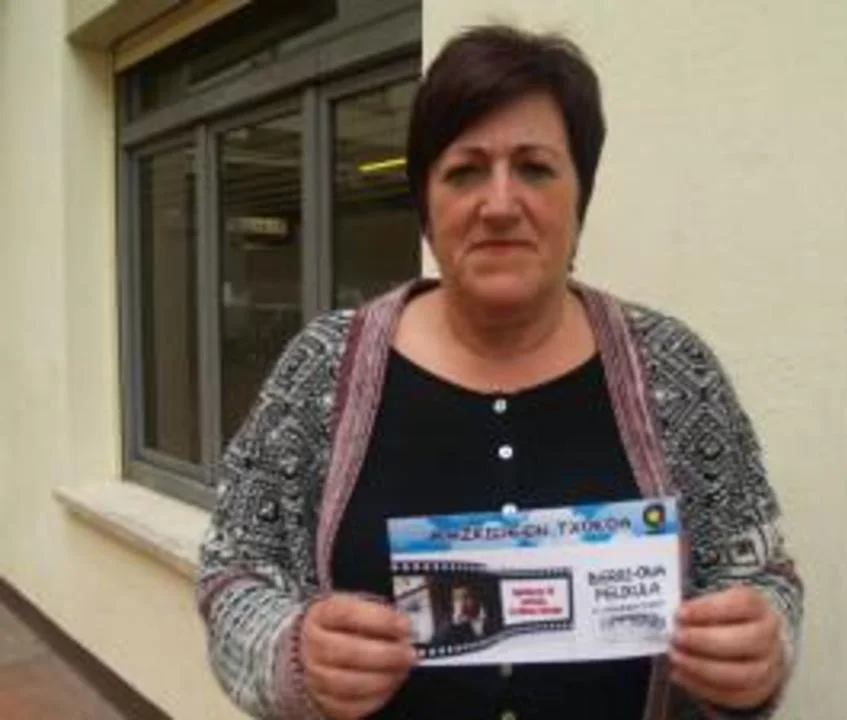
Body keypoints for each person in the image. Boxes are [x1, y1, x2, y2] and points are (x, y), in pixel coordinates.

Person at [197, 24, 803, 720]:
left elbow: (763, 574)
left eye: (536, 168)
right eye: (465, 171)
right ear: (426, 205)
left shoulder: (675, 367)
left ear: (581, 195)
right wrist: (290, 651)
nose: (501, 205)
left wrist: (762, 645)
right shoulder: (323, 368)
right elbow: (231, 570)